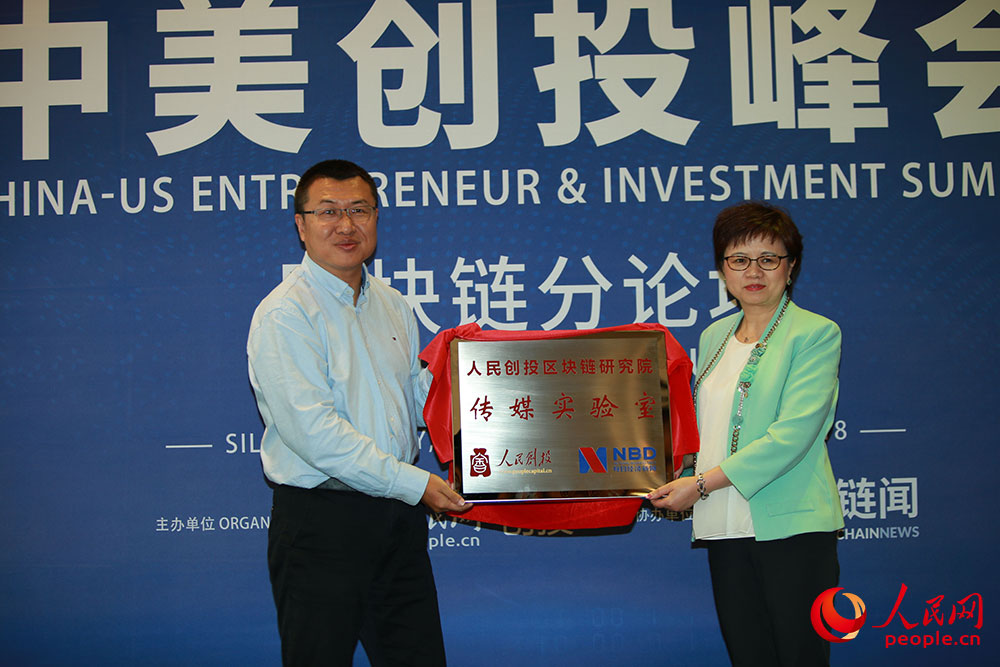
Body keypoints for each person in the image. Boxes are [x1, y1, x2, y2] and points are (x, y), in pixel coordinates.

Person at [247, 159, 469, 666]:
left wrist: (474, 383)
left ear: (376, 218)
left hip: (398, 520)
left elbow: (415, 401)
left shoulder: (393, 303)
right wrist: (414, 483)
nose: (345, 225)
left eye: (359, 210)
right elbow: (314, 433)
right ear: (301, 225)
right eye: (328, 212)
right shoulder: (285, 313)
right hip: (323, 522)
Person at [647, 201, 843, 666]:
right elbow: (707, 428)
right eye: (739, 259)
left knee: (799, 656)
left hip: (791, 526)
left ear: (790, 268)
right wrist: (669, 469)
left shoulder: (815, 334)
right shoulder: (714, 336)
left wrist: (700, 485)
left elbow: (791, 436)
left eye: (768, 259)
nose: (753, 271)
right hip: (724, 524)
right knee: (748, 655)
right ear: (722, 270)